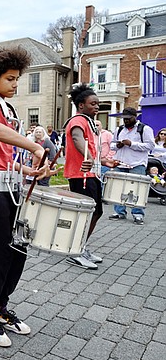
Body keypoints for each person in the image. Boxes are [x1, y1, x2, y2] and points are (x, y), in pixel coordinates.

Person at [0, 47, 52, 347]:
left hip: (8, 183)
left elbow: (2, 155)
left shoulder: (8, 107)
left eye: (18, 78)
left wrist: (26, 171)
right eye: (10, 78)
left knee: (17, 251)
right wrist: (33, 147)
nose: (16, 84)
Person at [63, 84, 118, 269]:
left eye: (98, 104)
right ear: (81, 105)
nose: (96, 106)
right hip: (80, 175)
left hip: (90, 172)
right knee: (85, 214)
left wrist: (103, 162)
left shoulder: (89, 122)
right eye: (92, 103)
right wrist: (88, 157)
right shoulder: (77, 120)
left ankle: (80, 246)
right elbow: (77, 139)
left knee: (96, 212)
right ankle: (75, 251)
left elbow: (89, 149)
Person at [108, 107, 155, 225]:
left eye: (129, 118)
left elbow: (150, 146)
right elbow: (111, 145)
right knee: (118, 188)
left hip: (137, 163)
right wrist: (117, 146)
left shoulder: (144, 129)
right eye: (124, 119)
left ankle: (138, 213)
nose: (126, 121)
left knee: (137, 189)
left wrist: (132, 144)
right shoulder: (119, 129)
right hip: (120, 162)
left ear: (135, 117)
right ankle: (119, 212)